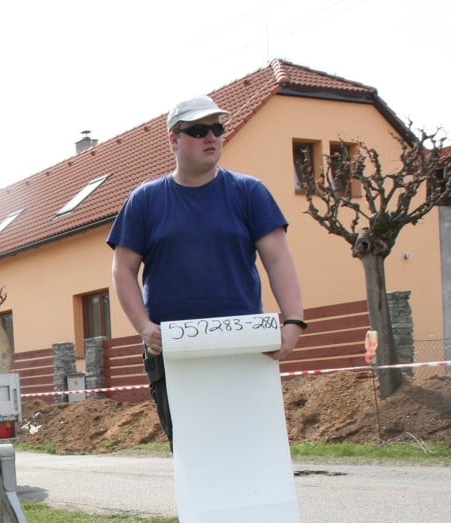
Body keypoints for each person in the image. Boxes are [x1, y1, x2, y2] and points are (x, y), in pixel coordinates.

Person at [107, 95, 307, 443]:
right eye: (199, 131)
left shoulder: (249, 193)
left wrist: (294, 321)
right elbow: (123, 270)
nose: (211, 137)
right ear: (173, 139)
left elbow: (278, 259)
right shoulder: (145, 200)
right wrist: (143, 327)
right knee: (193, 452)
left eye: (217, 128)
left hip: (242, 346)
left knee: (250, 448)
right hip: (173, 349)